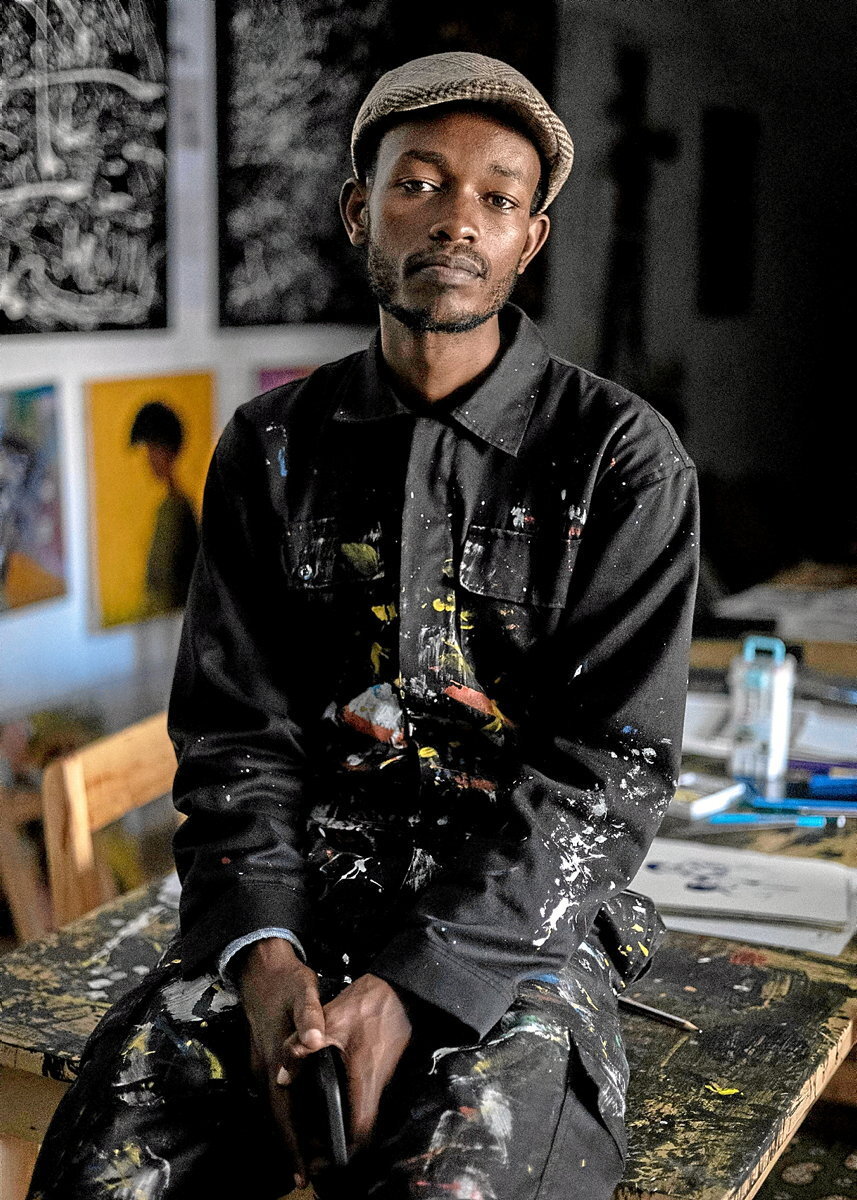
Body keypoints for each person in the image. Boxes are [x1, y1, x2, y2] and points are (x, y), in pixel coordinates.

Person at [28, 52, 698, 1200]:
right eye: (418, 184)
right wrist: (264, 956)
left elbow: (605, 773)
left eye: (496, 197)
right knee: (108, 1165)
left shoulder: (618, 462)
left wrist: (410, 989)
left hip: (510, 919)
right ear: (358, 212)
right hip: (299, 890)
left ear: (528, 240)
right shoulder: (269, 448)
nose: (456, 219)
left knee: (457, 1177)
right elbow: (236, 737)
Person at [129, 400, 199, 618]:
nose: (149, 459)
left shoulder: (175, 508)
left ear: (167, 452)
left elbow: (164, 579)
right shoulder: (172, 505)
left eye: (153, 450)